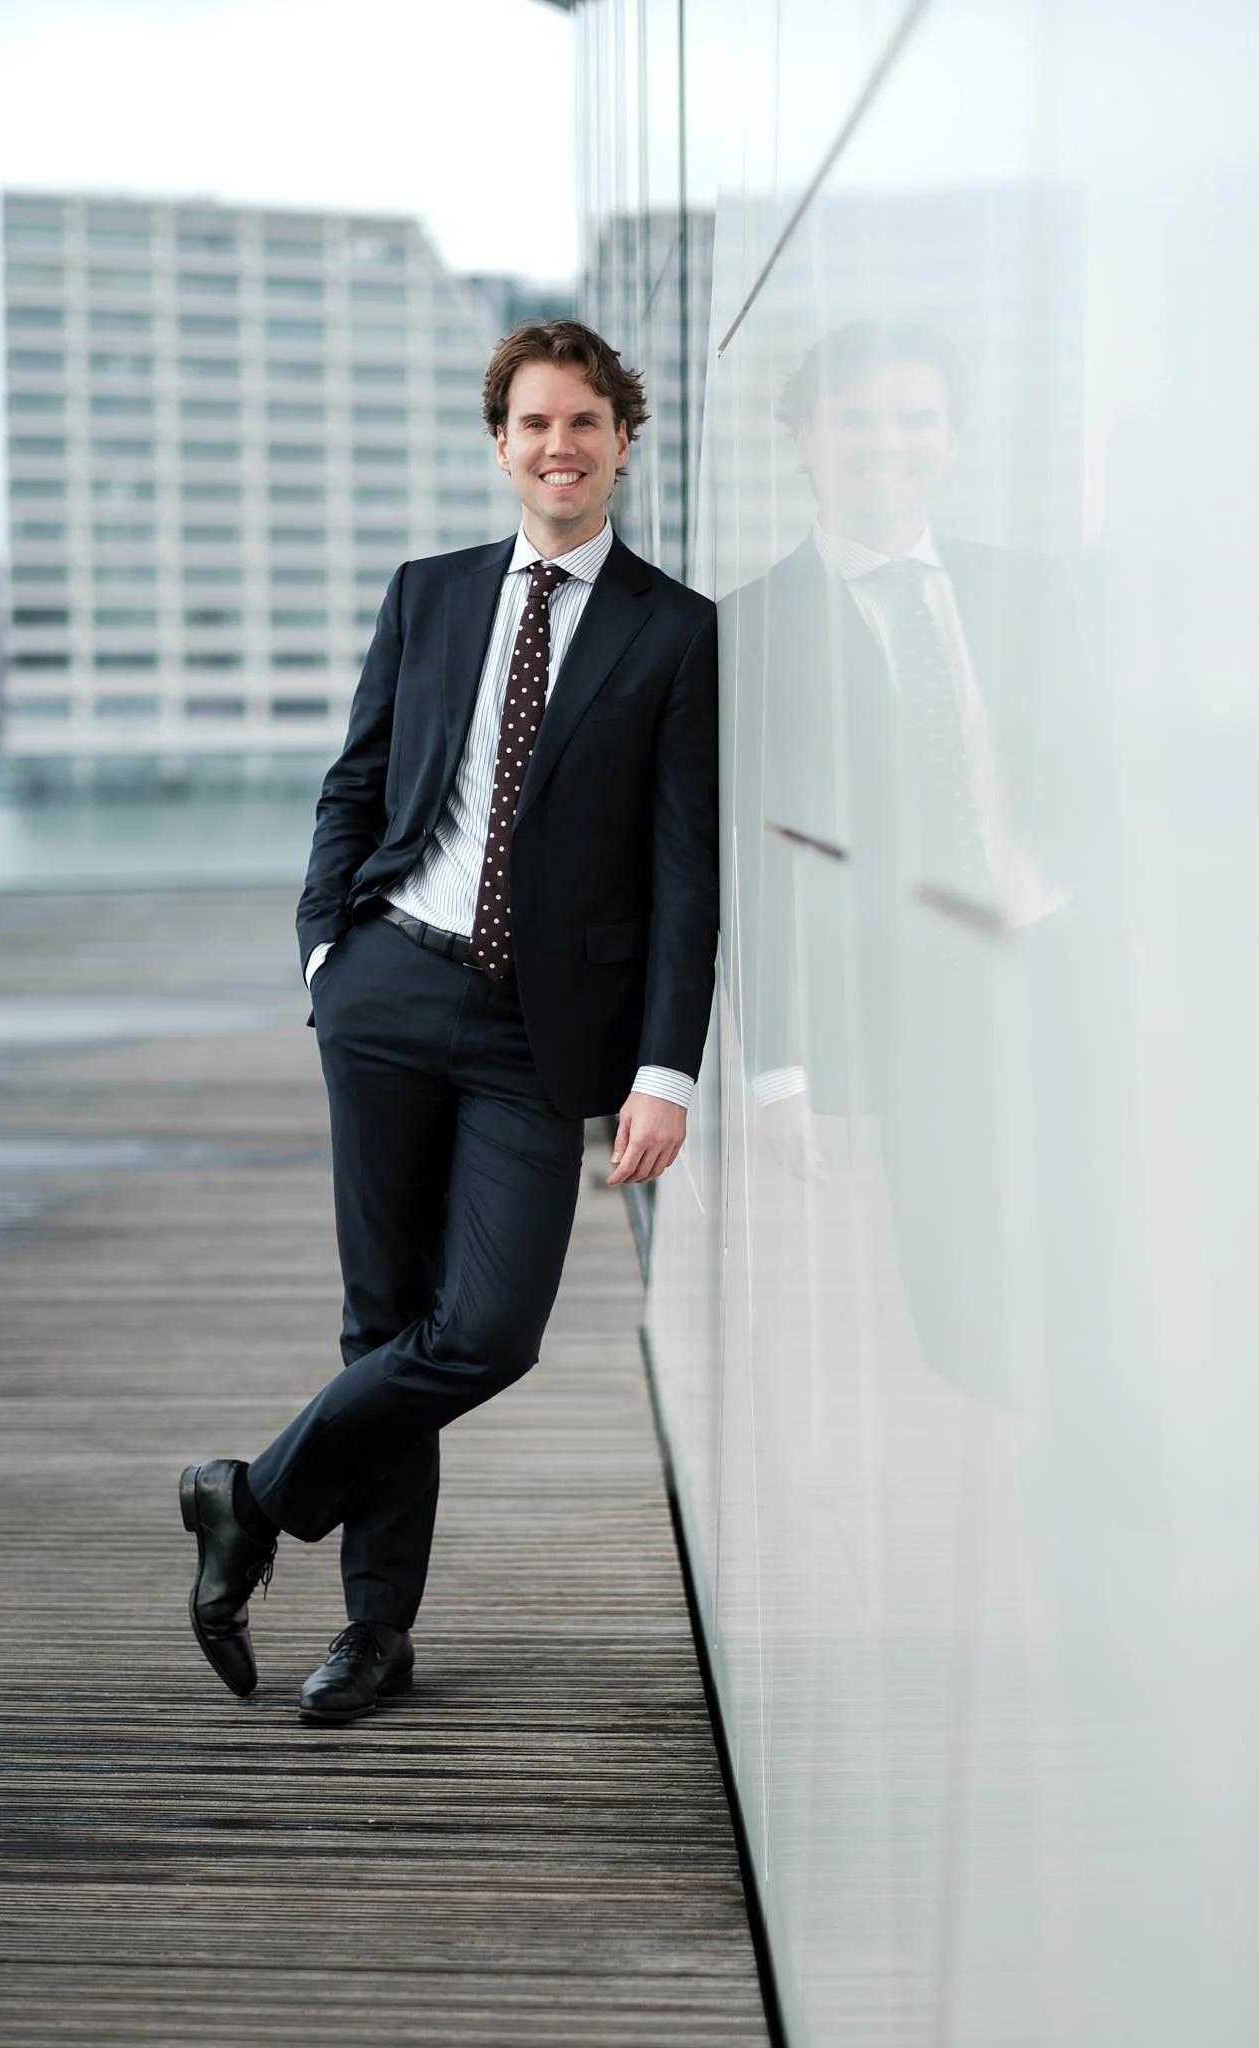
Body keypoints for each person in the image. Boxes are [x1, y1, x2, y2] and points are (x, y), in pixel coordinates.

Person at [180, 321, 719, 1723]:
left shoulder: (676, 631)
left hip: (545, 1033)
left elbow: (684, 873)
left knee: (485, 1329)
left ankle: (249, 1499)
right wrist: (323, 955)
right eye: (534, 424)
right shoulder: (427, 596)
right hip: (389, 984)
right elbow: (353, 783)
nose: (559, 447)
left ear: (621, 440)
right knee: (385, 1322)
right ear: (500, 444)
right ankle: (374, 1635)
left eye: (585, 423)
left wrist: (667, 1068)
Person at [728, 320, 1112, 1402]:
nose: (886, 443)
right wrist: (779, 1066)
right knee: (962, 1300)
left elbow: (1104, 785)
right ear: (805, 437)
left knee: (1098, 1262)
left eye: (915, 419)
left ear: (950, 440)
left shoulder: (1030, 592)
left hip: (1065, 962)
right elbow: (754, 864)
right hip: (916, 997)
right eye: (856, 419)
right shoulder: (751, 631)